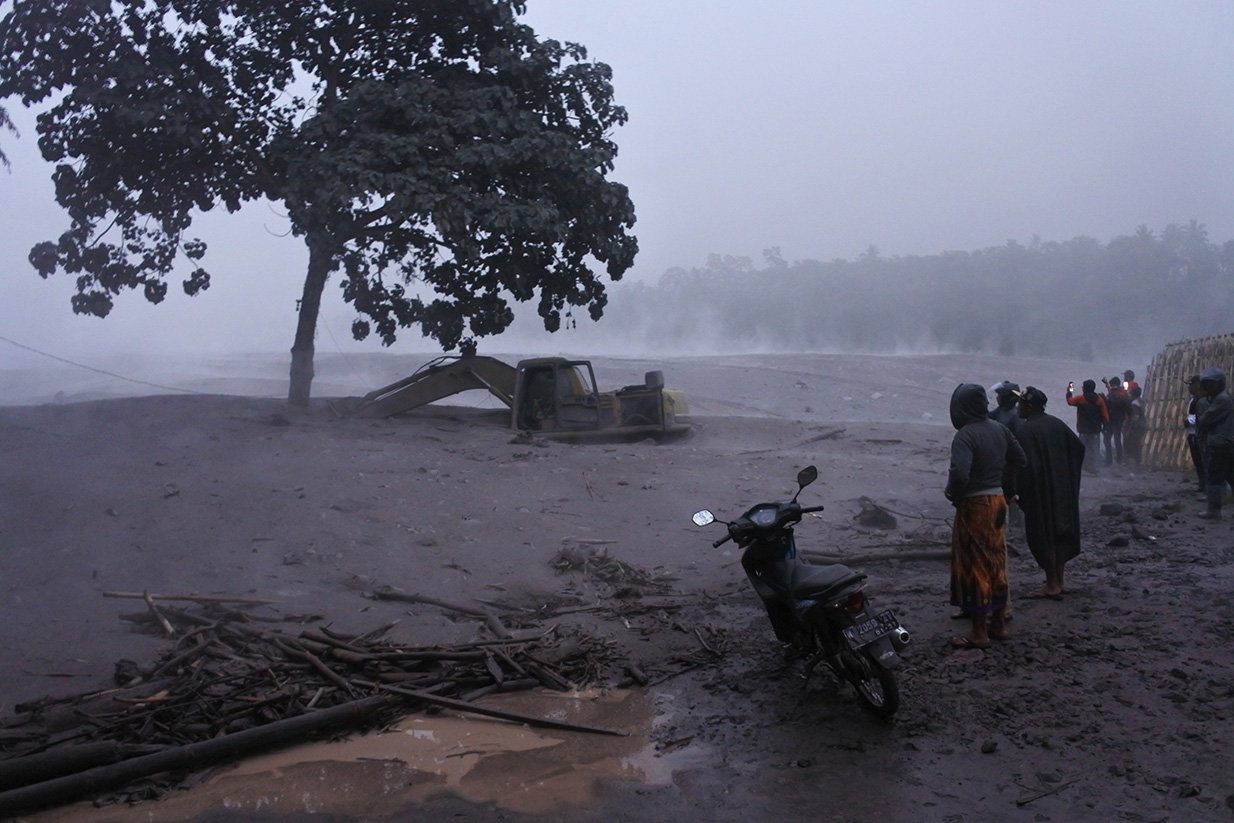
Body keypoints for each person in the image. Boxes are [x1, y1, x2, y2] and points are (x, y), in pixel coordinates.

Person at [945, 383, 1027, 648]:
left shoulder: (966, 435)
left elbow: (960, 472)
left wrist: (953, 493)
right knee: (996, 562)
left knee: (977, 564)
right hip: (999, 502)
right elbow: (1019, 459)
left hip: (975, 504)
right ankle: (999, 625)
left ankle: (979, 631)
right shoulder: (1000, 429)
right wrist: (1003, 482)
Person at [1014, 386, 1085, 598]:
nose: (1018, 407)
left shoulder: (1026, 431)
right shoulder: (1056, 423)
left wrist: (1023, 490)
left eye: (1021, 403)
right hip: (1062, 490)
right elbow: (1078, 448)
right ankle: (1060, 581)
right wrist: (1067, 475)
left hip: (1040, 493)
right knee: (1061, 532)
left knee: (1043, 534)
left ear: (1030, 407)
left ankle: (1052, 583)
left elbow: (1024, 464)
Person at [1196, 367, 1234, 520]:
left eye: (1212, 384)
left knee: (1214, 477)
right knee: (1231, 476)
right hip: (1226, 441)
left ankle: (1214, 510)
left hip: (1221, 443)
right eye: (1207, 384)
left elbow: (1206, 418)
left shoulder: (1221, 399)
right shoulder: (1220, 398)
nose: (1209, 387)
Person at [1066, 380, 1107, 473]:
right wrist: (1104, 427)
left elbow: (1069, 401)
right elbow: (1105, 415)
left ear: (1084, 388)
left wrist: (1069, 392)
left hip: (1083, 428)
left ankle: (1084, 468)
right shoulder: (1099, 400)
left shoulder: (1080, 399)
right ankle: (1095, 468)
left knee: (1083, 448)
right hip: (1096, 429)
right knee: (1095, 448)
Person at [1186, 375, 1209, 493]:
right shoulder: (1193, 400)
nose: (1189, 387)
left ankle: (1207, 485)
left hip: (1200, 435)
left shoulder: (1203, 400)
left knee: (1203, 461)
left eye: (1191, 384)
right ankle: (1202, 482)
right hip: (1193, 434)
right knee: (1198, 461)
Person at [1102, 376, 1131, 465]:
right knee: (1107, 440)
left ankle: (1118, 459)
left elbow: (1118, 404)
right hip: (1110, 420)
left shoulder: (1122, 394)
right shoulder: (1114, 392)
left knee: (1117, 440)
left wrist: (1107, 400)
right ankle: (1109, 460)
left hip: (1118, 420)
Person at [1123, 385, 1147, 465]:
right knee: (1137, 443)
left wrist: (1130, 428)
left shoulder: (1134, 404)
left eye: (1130, 393)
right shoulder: (1141, 402)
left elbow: (1135, 417)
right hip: (1142, 425)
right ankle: (1137, 461)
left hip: (1136, 427)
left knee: (1131, 443)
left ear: (1133, 394)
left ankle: (1133, 461)